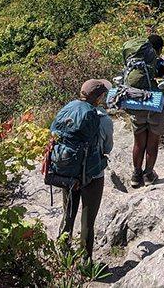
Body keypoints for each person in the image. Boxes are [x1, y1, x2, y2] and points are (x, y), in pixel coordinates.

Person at [51, 78, 114, 263]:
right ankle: (85, 263)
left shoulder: (68, 109)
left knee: (68, 213)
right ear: (100, 97)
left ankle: (63, 255)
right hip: (92, 175)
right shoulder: (103, 119)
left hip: (68, 171)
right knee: (88, 221)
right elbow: (107, 148)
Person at [122, 35, 164, 188]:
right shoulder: (160, 64)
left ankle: (136, 176)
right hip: (156, 107)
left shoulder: (134, 64)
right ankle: (149, 174)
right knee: (153, 142)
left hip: (137, 106)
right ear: (159, 49)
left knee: (138, 142)